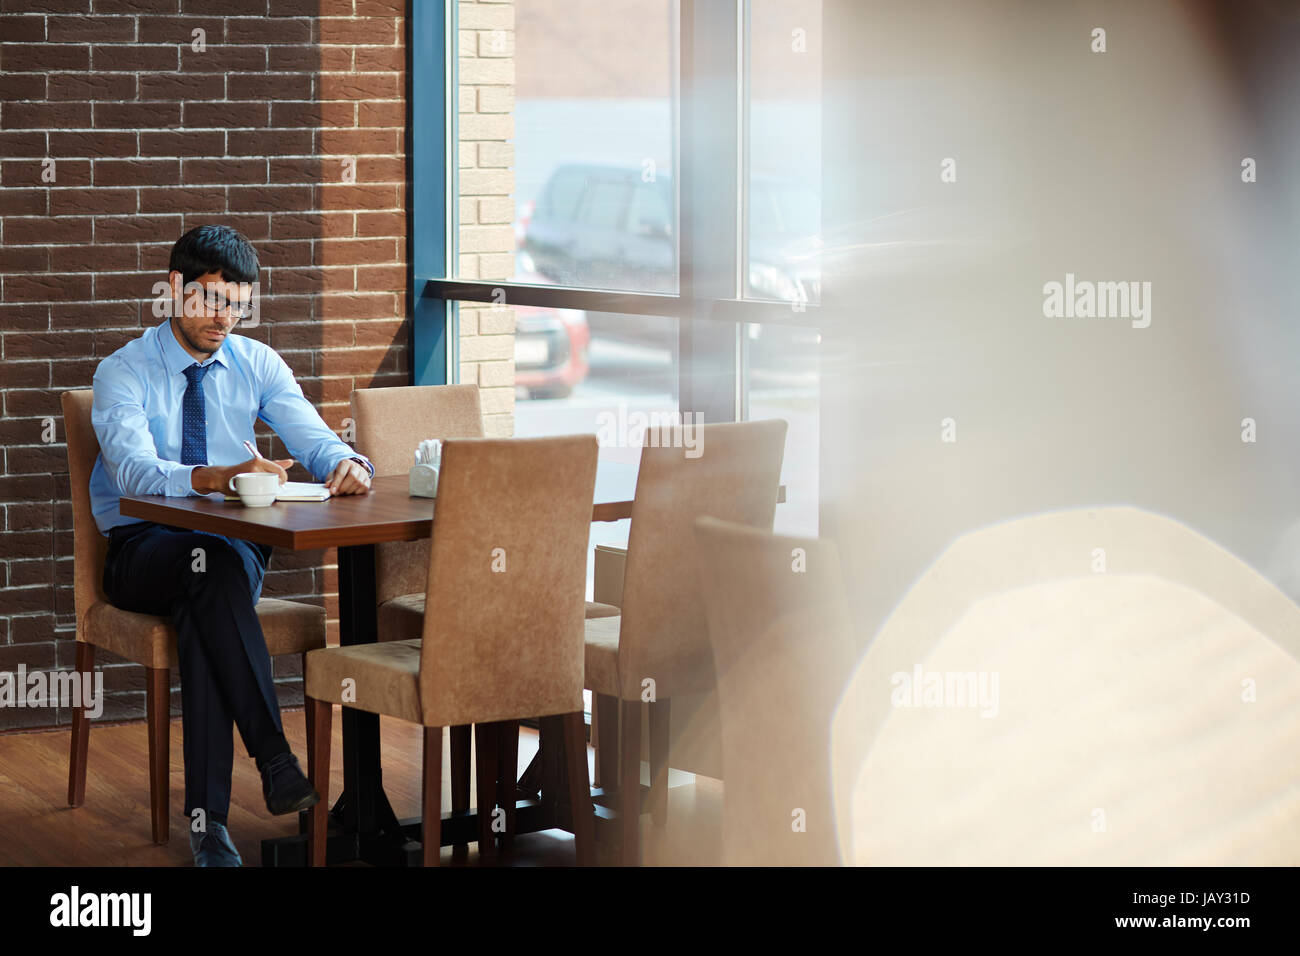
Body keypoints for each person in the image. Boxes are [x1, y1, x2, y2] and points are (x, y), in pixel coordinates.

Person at [90, 225, 375, 866]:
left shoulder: (258, 363)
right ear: (173, 291)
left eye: (238, 303)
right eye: (213, 300)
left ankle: (212, 825)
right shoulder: (124, 371)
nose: (226, 317)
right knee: (208, 577)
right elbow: (134, 476)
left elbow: (315, 438)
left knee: (211, 588)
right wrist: (215, 477)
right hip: (143, 548)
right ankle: (272, 756)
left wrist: (350, 463)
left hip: (232, 547)